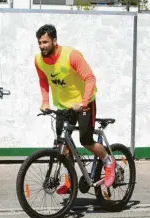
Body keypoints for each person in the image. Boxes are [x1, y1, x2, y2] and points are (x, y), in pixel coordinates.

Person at [34, 24, 116, 193]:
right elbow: (43, 80)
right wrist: (45, 101)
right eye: (40, 43)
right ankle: (71, 181)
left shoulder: (71, 55)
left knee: (85, 140)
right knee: (62, 146)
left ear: (55, 41)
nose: (42, 46)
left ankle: (109, 162)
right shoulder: (39, 60)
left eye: (45, 42)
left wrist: (84, 102)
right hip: (63, 106)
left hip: (84, 102)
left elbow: (90, 78)